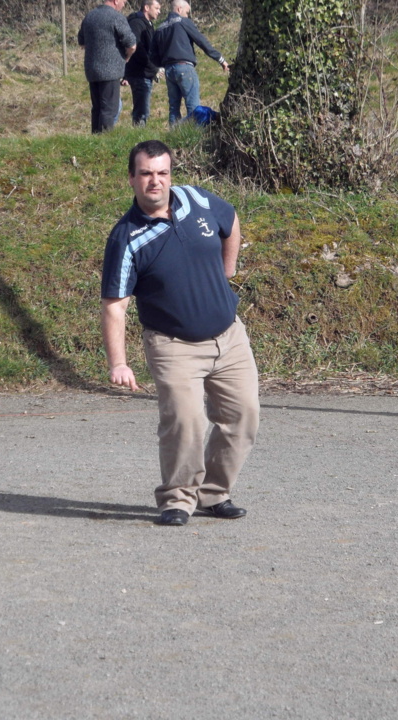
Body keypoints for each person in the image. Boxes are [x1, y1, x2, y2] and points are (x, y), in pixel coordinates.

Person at [100, 140, 259, 527]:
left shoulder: (195, 200)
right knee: (186, 423)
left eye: (162, 173)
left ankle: (214, 493)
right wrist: (118, 363)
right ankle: (177, 499)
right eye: (146, 174)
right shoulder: (127, 238)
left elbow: (231, 220)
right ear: (132, 179)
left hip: (229, 337)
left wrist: (229, 269)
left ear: (171, 174)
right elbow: (114, 306)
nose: (155, 181)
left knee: (243, 416)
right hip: (173, 346)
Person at [150, 0, 229, 126]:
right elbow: (201, 41)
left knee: (173, 107)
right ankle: (194, 136)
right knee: (193, 106)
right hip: (184, 67)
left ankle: (174, 135)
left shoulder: (160, 28)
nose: (187, 15)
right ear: (179, 9)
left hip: (169, 71)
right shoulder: (183, 22)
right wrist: (220, 59)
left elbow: (153, 54)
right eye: (187, 12)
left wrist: (160, 67)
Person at [78, 0, 137, 134]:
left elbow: (82, 42)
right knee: (109, 108)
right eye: (123, 2)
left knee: (97, 108)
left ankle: (95, 137)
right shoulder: (116, 17)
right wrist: (126, 58)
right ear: (116, 1)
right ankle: (104, 140)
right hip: (110, 70)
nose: (124, 5)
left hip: (92, 69)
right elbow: (132, 44)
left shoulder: (90, 16)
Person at [124, 1, 162, 127]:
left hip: (145, 72)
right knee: (141, 111)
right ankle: (139, 136)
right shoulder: (136, 23)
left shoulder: (148, 24)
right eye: (156, 8)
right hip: (139, 73)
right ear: (146, 7)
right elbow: (137, 49)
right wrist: (153, 67)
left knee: (143, 109)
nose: (159, 11)